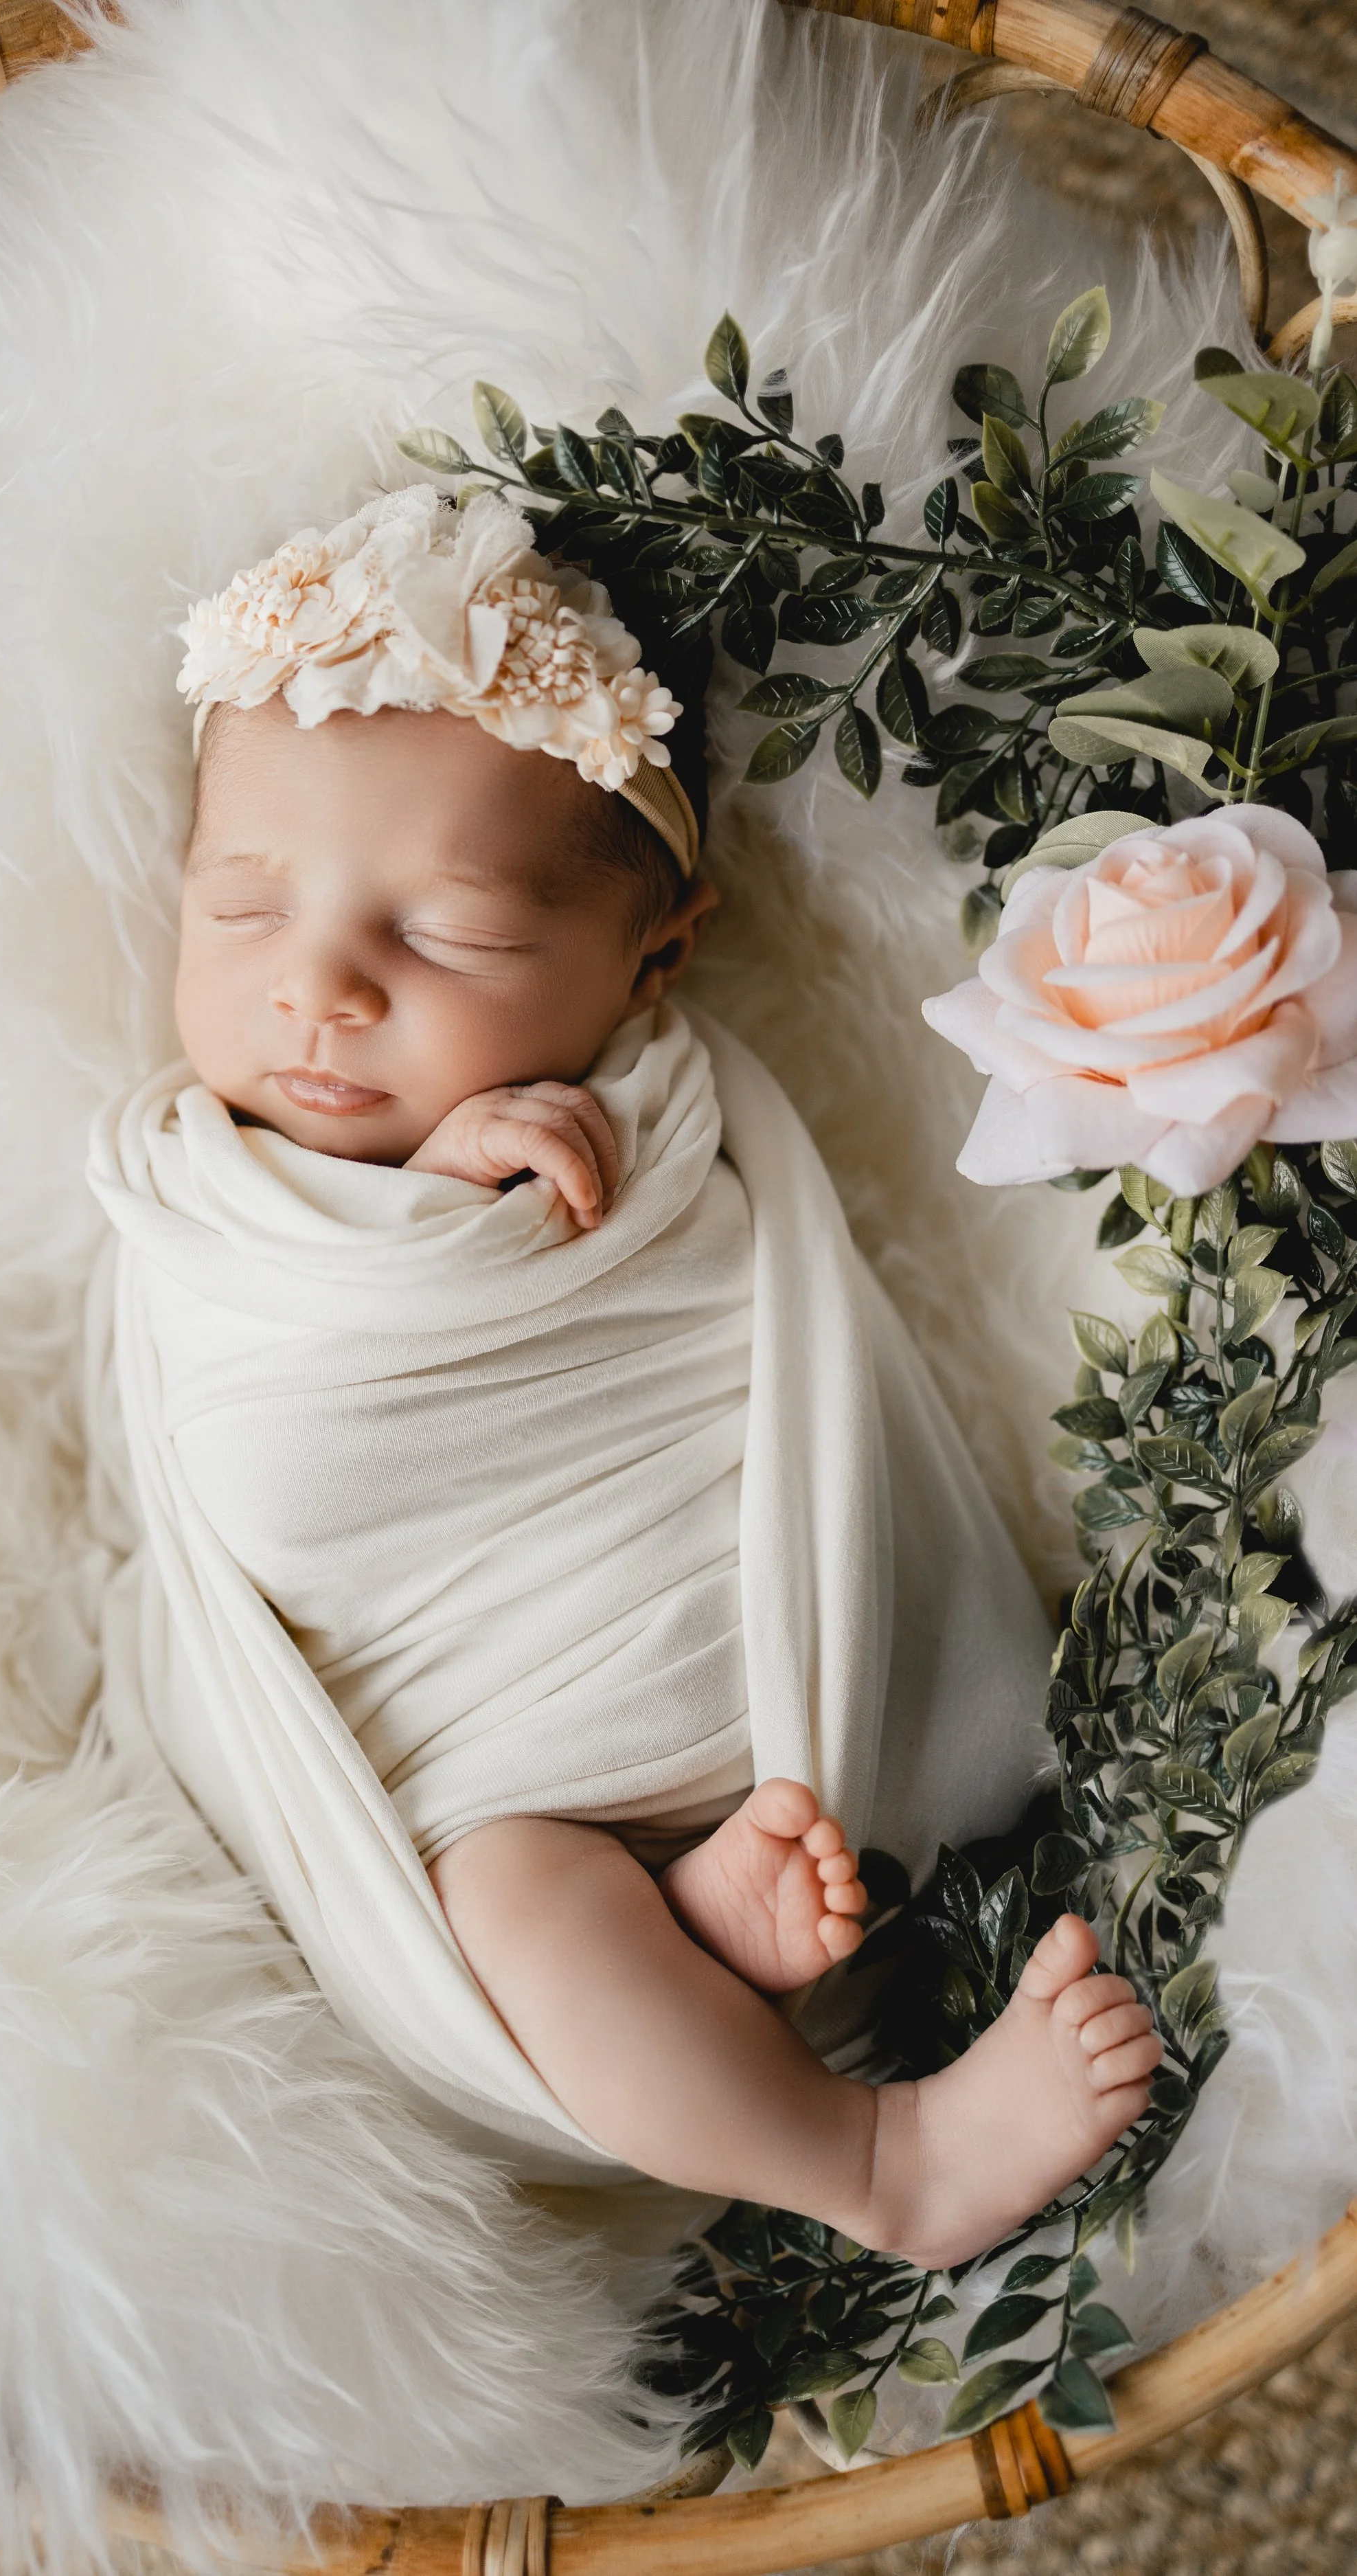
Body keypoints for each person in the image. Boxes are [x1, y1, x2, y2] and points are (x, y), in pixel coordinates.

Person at [89, 486, 1161, 2271]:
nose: (321, 989)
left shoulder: (659, 1121)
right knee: (517, 1894)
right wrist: (411, 1231)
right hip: (474, 1783)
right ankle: (874, 2160)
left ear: (651, 957)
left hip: (748, 1674)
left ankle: (700, 1911)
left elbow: (725, 1329)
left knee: (607, 1874)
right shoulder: (190, 1200)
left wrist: (477, 1206)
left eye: (448, 939)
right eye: (246, 908)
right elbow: (267, 1451)